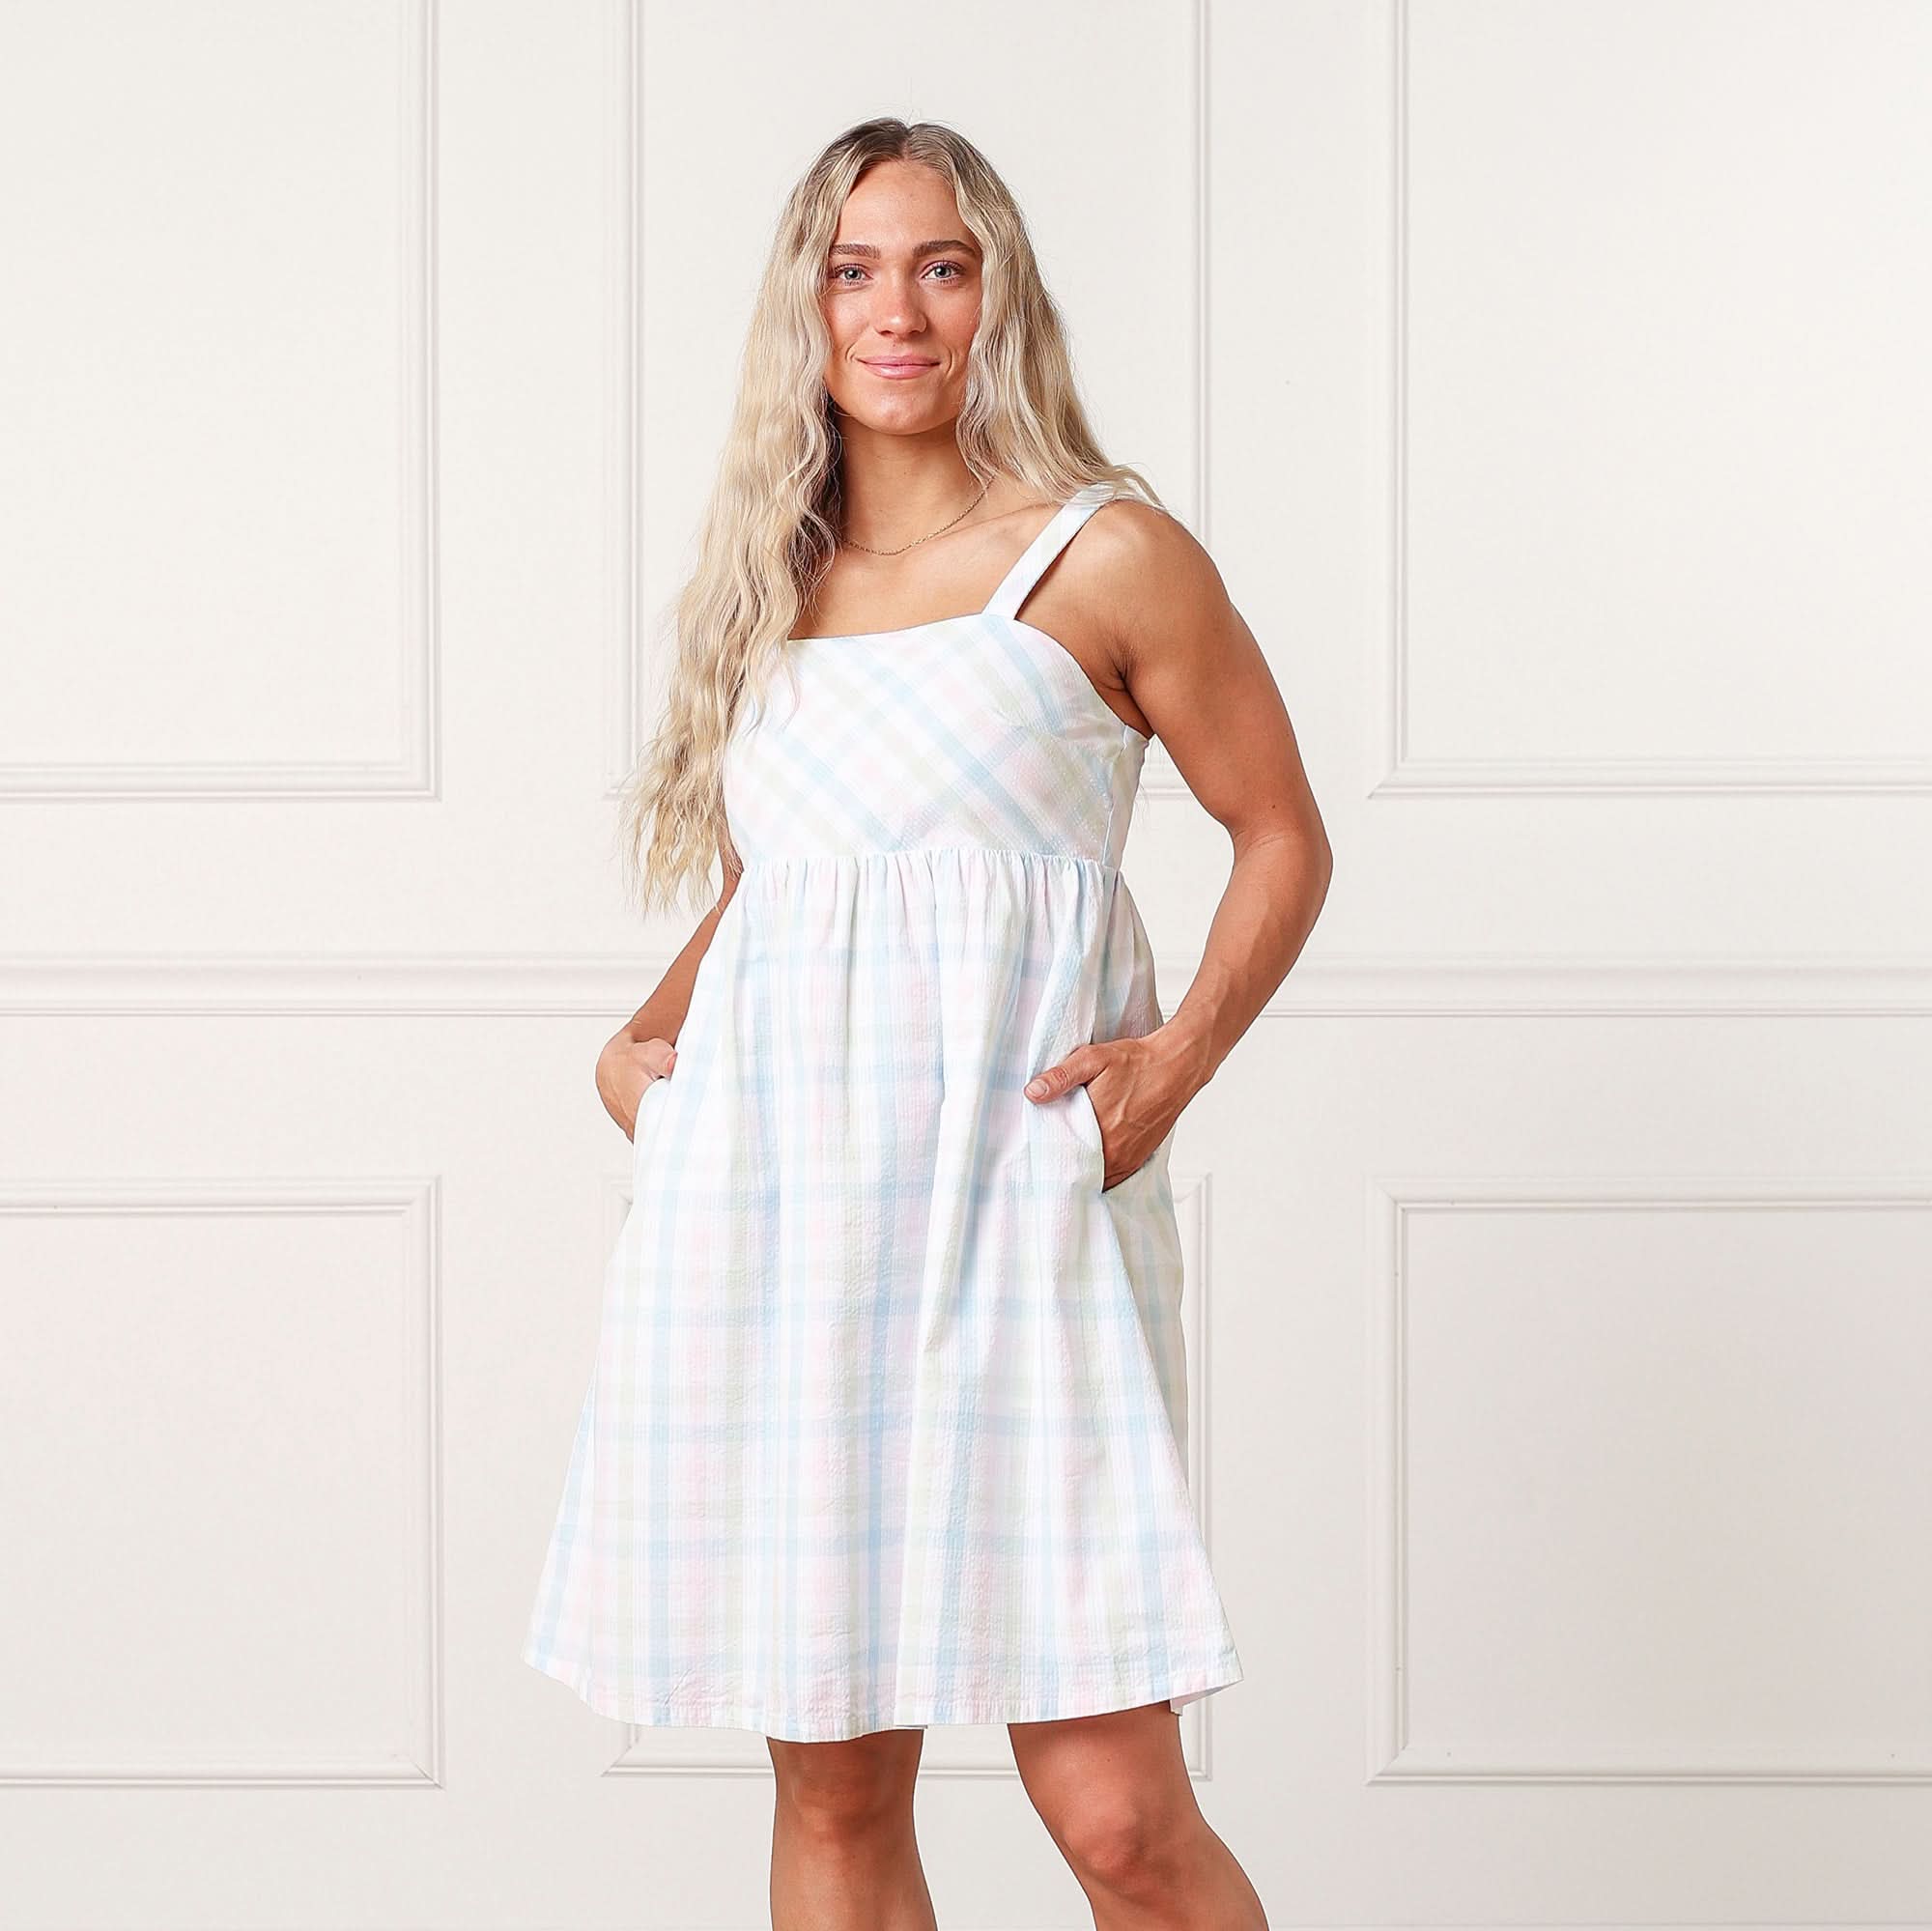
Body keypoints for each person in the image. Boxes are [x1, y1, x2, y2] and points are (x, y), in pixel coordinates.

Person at [524, 117, 1330, 1928]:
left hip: (1018, 1223)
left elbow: (1283, 832)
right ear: (805, 308)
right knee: (834, 1797)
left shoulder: (1105, 555)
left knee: (1116, 1815)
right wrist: (634, 1051)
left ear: (996, 296)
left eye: (941, 267)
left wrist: (1172, 1065)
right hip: (791, 1241)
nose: (897, 311)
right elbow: (788, 893)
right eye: (854, 270)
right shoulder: (771, 592)